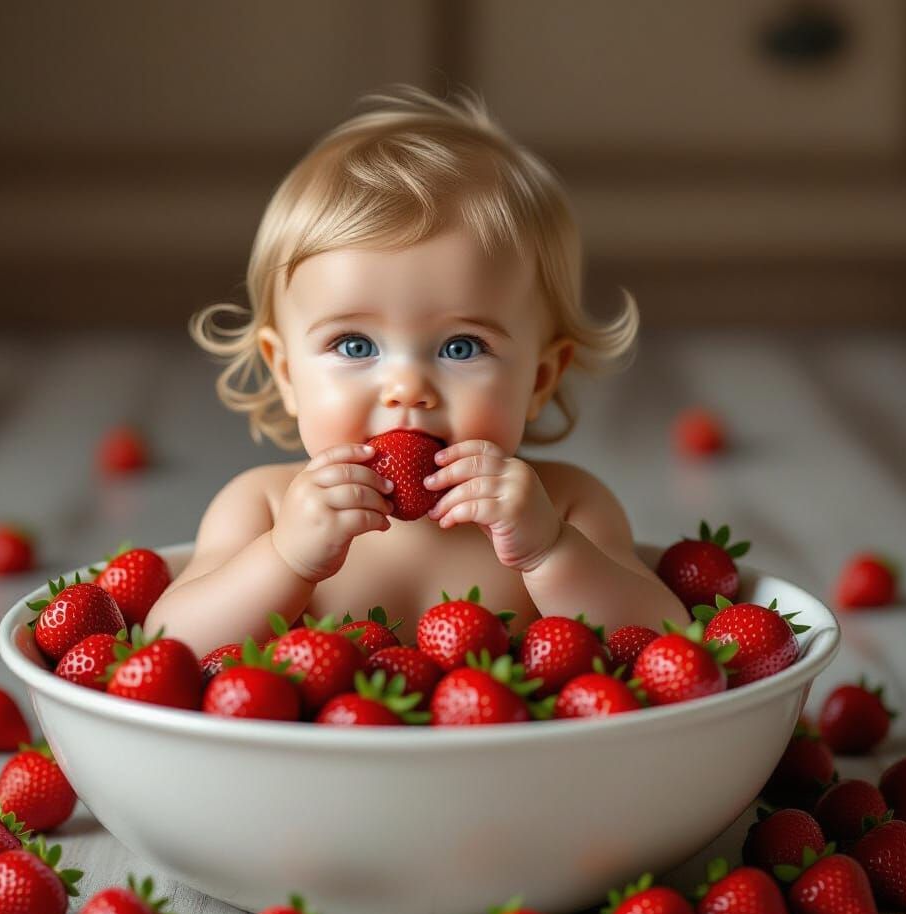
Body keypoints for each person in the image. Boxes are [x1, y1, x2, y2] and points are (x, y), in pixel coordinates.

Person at [144, 84, 688, 656]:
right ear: (284, 372)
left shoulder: (567, 504)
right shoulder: (265, 506)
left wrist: (549, 551)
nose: (407, 388)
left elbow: (666, 644)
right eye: (355, 346)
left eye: (460, 347)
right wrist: (284, 559)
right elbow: (166, 644)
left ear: (540, 378)